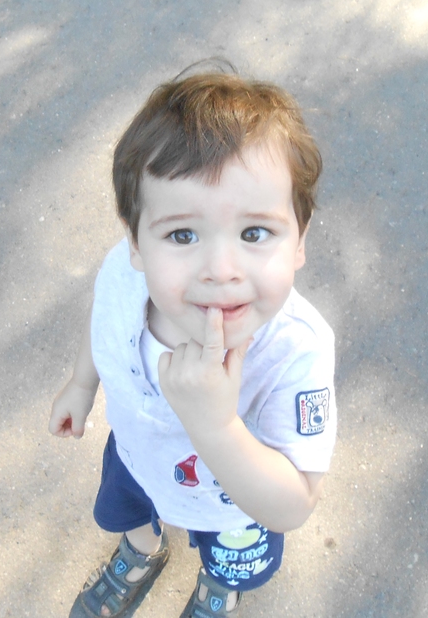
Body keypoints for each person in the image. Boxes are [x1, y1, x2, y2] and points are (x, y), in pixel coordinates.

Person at [48, 65, 336, 618]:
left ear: (299, 239)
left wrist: (217, 426)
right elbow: (105, 320)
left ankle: (216, 589)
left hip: (232, 507)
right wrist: (82, 384)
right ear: (135, 243)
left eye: (255, 232)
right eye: (182, 234)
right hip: (138, 455)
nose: (220, 269)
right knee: (129, 511)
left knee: (228, 560)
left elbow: (293, 503)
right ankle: (142, 550)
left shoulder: (295, 352)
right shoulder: (125, 276)